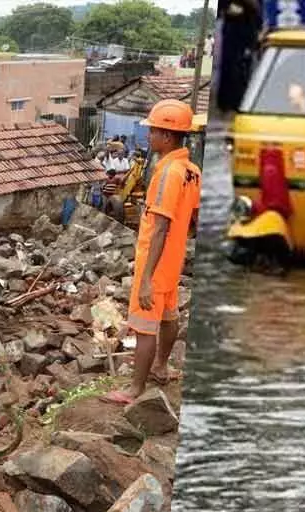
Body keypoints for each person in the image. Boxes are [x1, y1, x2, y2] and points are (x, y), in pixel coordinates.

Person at [105, 99, 201, 405]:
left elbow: (159, 227)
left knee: (145, 326)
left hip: (155, 261)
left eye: (154, 131)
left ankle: (135, 388)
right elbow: (195, 219)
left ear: (168, 136)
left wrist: (145, 277)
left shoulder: (167, 173)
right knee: (169, 315)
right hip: (173, 260)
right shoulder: (192, 171)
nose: (149, 136)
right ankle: (160, 366)